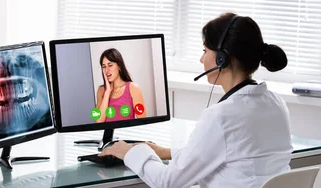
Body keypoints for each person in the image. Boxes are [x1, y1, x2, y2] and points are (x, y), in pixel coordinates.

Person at [99, 12, 292, 188]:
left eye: (205, 51)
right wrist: (166, 151)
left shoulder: (221, 116)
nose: (201, 60)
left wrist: (128, 152)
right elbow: (229, 154)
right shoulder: (276, 104)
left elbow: (168, 182)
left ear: (221, 59)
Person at [95, 48, 147, 123]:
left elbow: (143, 121)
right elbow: (98, 122)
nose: (106, 70)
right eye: (104, 66)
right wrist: (107, 93)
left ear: (119, 66)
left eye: (110, 65)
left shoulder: (133, 88)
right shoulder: (101, 90)